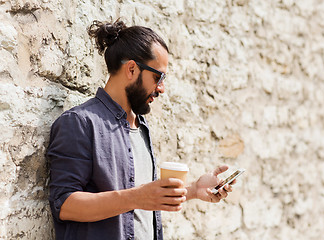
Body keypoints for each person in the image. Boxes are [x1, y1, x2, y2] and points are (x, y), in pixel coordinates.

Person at [47, 18, 235, 240]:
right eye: (158, 77)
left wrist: (193, 190)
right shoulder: (80, 123)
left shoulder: (141, 127)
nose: (162, 88)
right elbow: (65, 205)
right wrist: (135, 197)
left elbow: (143, 201)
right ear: (132, 69)